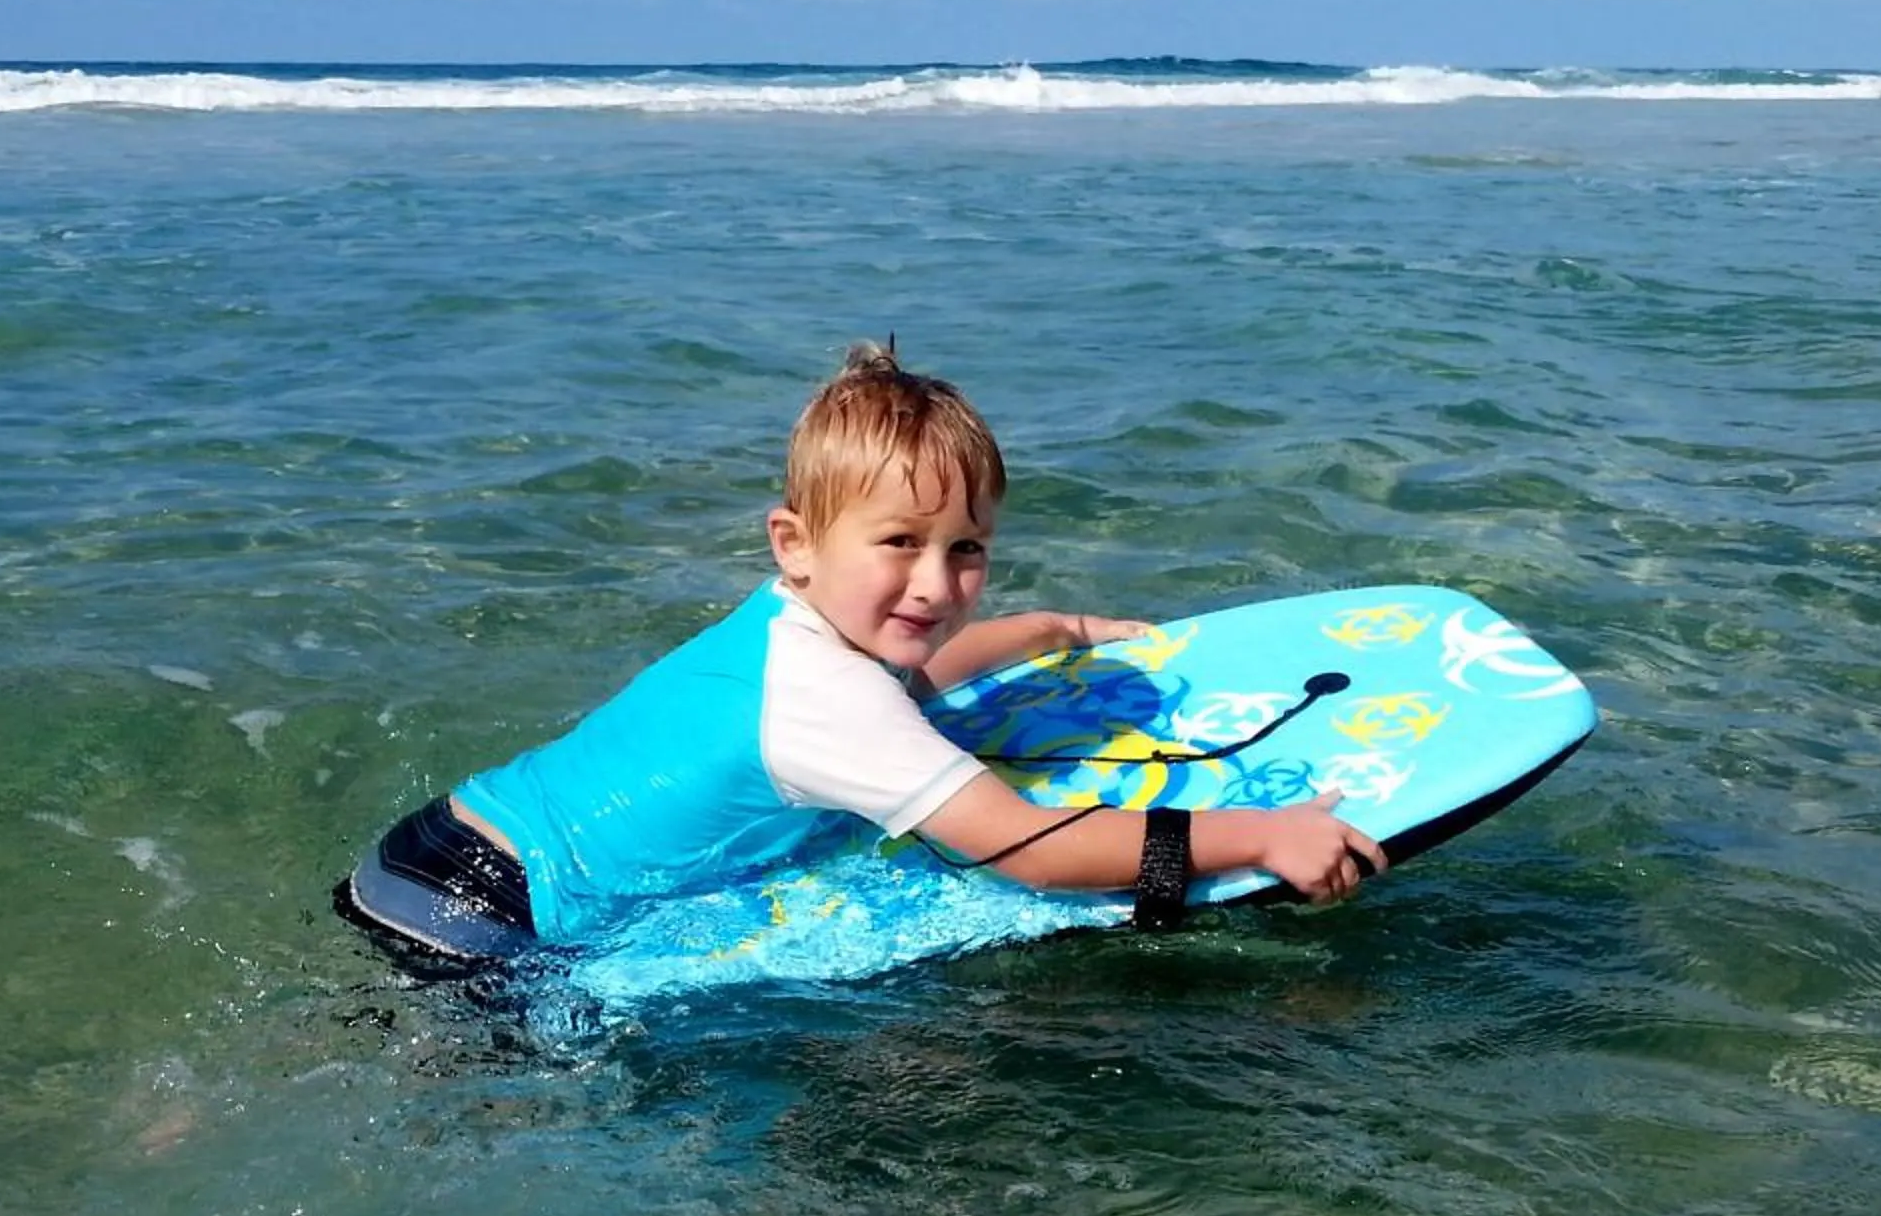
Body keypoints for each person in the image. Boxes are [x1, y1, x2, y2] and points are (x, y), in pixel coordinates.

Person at [335, 343, 1385, 973]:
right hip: (482, 925)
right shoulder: (829, 702)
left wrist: (1049, 630)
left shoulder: (790, 629)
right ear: (794, 543)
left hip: (436, 848)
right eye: (901, 544)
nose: (936, 584)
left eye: (966, 550)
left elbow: (909, 679)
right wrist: (1258, 834)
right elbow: (1027, 847)